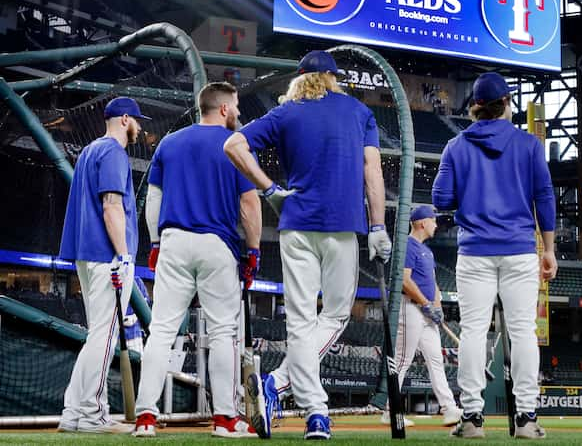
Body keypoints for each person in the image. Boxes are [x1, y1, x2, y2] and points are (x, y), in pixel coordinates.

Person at [224, 50, 391, 440]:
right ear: (333, 79)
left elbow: (233, 145)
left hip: (295, 222)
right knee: (333, 317)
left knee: (299, 321)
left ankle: (307, 405)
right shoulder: (357, 112)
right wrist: (379, 224)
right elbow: (373, 170)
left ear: (299, 78)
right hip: (341, 226)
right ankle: (289, 393)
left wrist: (269, 190)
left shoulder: (285, 113)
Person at [132, 82, 261, 438]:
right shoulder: (236, 145)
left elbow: (153, 201)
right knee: (223, 333)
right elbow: (249, 205)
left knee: (160, 331)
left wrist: (156, 243)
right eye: (234, 106)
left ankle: (145, 417)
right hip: (217, 244)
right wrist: (253, 252)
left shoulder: (170, 142)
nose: (237, 112)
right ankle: (224, 419)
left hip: (173, 240)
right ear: (222, 109)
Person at [432, 72, 557, 439]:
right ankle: (526, 419)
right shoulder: (529, 144)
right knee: (522, 333)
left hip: (474, 251)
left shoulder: (456, 146)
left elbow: (441, 200)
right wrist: (548, 249)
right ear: (507, 104)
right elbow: (545, 198)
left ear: (475, 106)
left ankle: (471, 418)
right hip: (519, 250)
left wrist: (470, 191)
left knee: (473, 331)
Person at [57, 96, 149, 434]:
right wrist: (124, 256)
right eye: (137, 120)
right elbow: (111, 206)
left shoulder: (90, 150)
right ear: (125, 119)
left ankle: (73, 413)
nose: (140, 127)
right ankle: (94, 415)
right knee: (104, 338)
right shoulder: (113, 151)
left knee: (97, 337)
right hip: (108, 256)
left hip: (88, 254)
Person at [380, 205, 463, 427]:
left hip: (427, 313)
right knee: (401, 360)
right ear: (422, 223)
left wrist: (437, 308)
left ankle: (450, 409)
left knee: (436, 360)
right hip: (410, 308)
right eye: (433, 221)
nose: (436, 225)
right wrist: (425, 304)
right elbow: (405, 280)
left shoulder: (427, 251)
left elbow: (433, 283)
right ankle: (390, 410)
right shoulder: (406, 245)